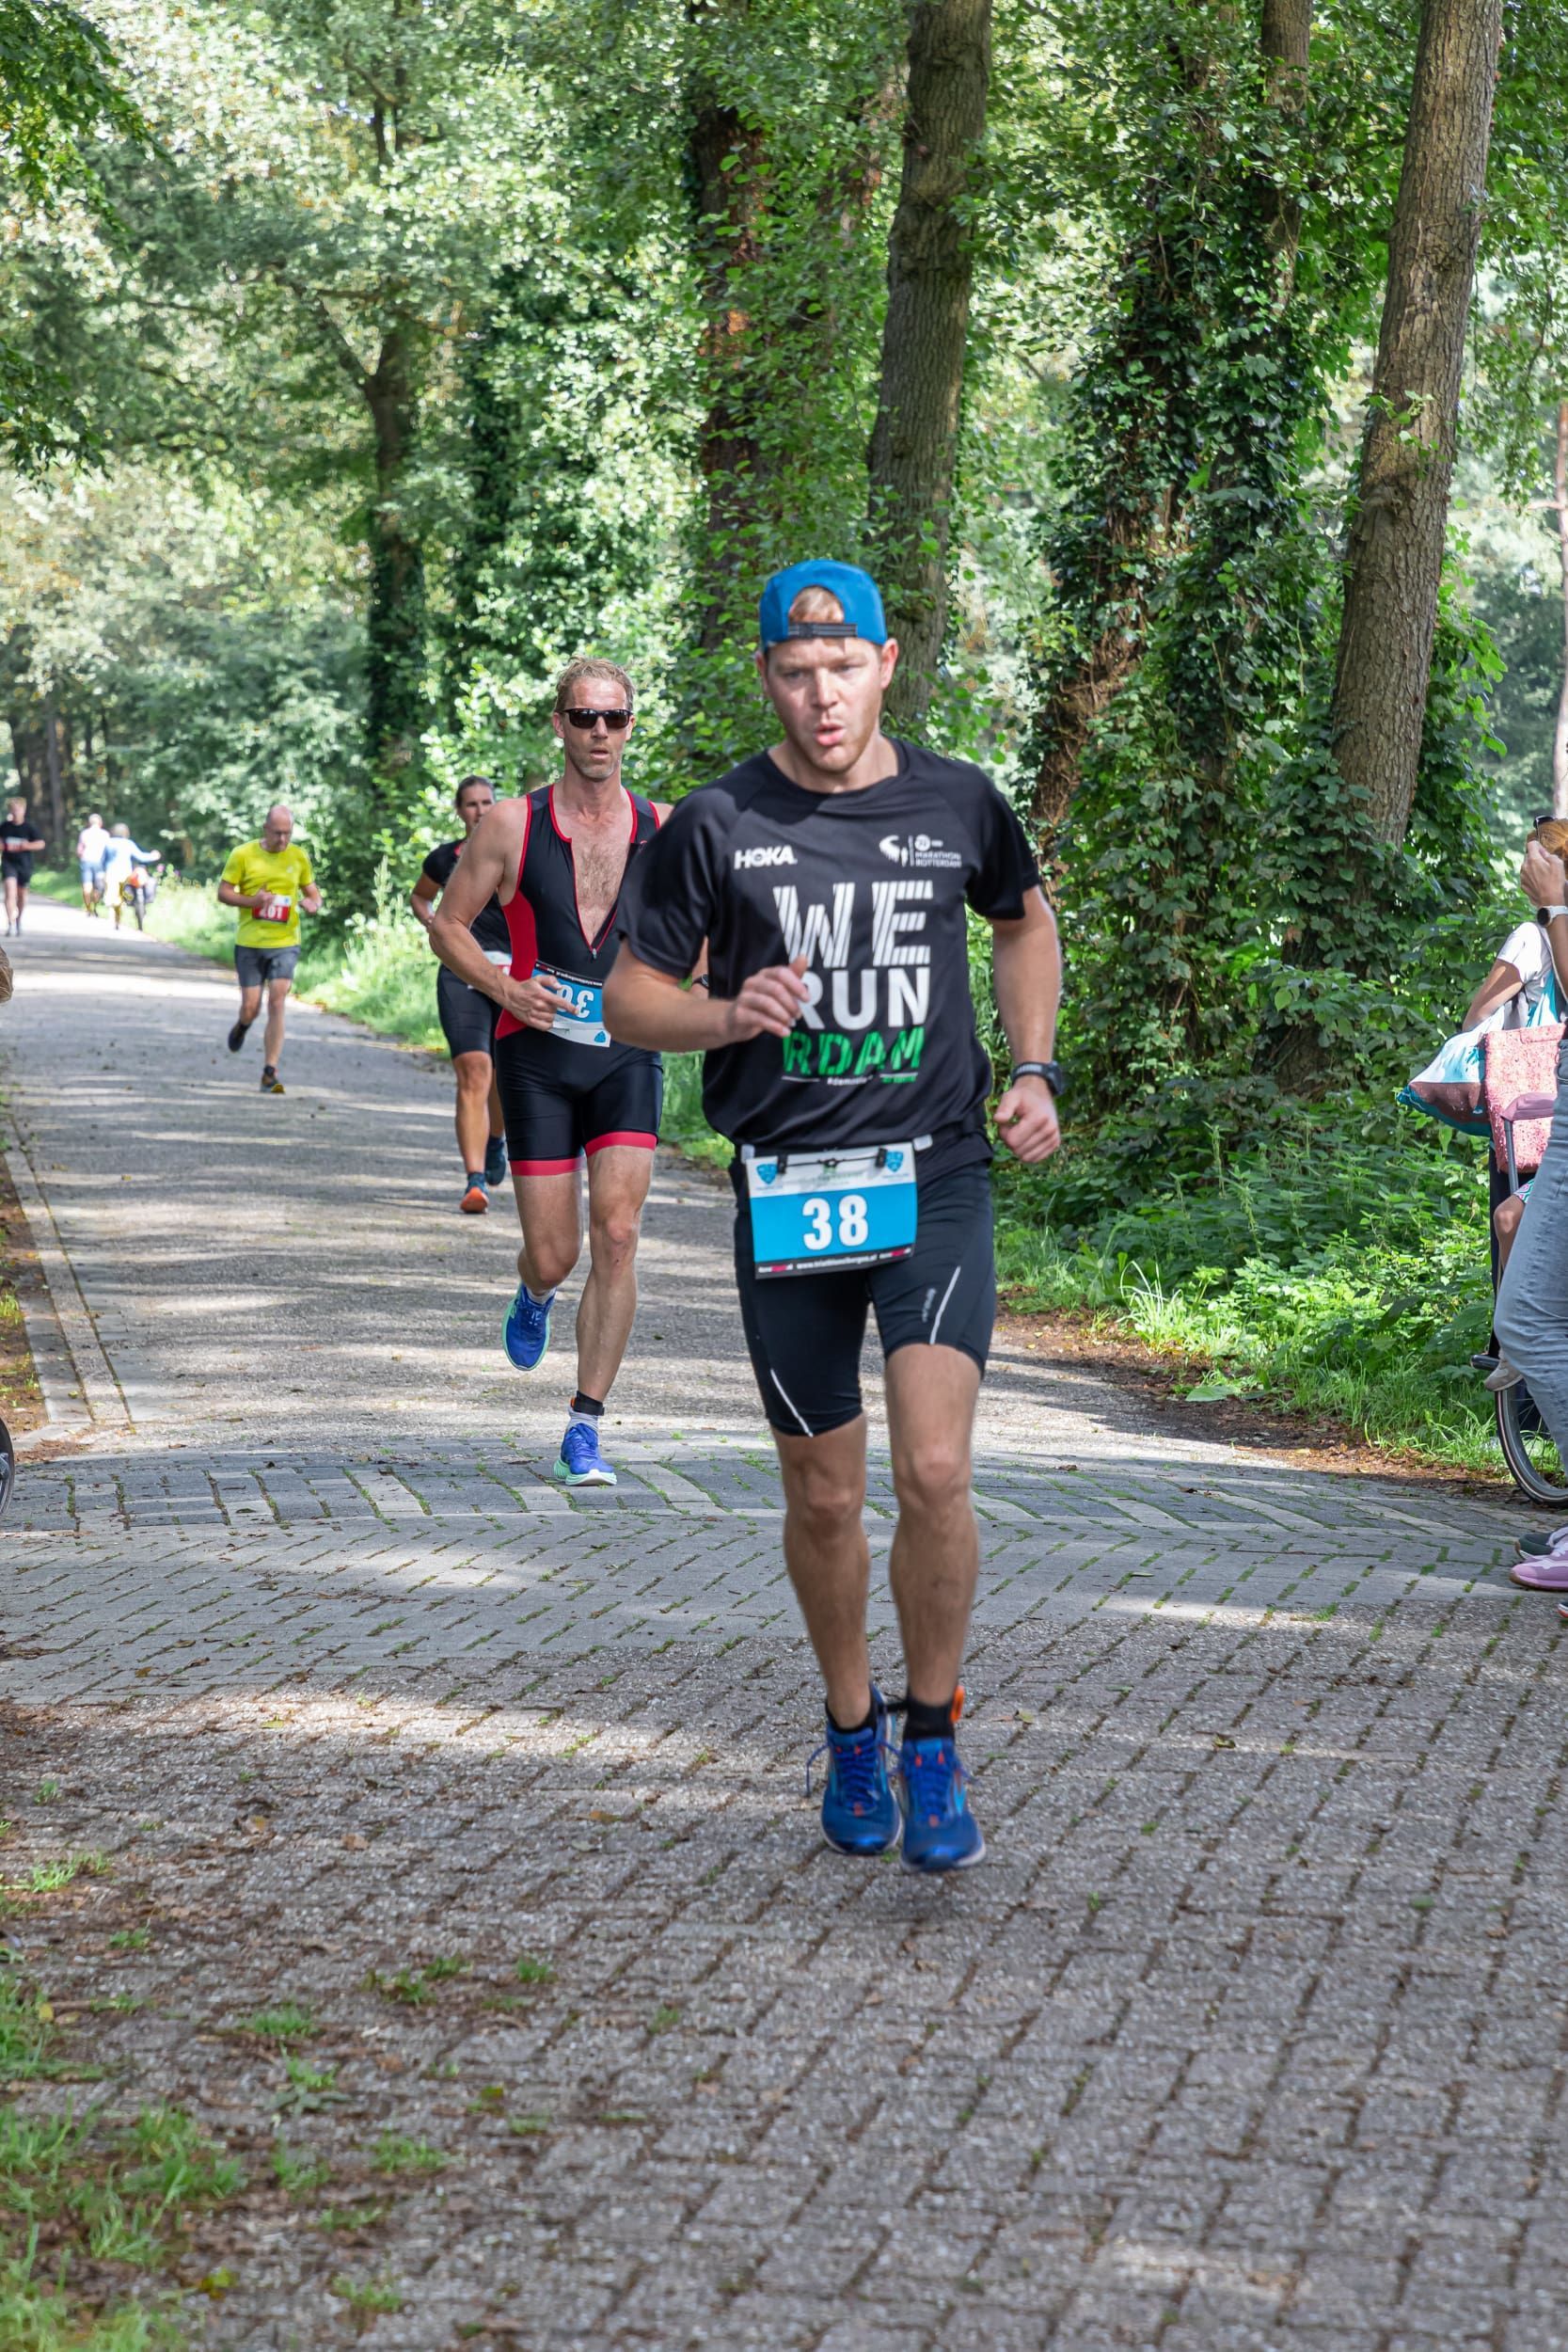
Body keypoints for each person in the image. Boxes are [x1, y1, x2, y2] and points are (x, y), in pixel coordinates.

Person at [603, 559, 1063, 1875]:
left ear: (884, 666)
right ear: (766, 675)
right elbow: (631, 1000)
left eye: (843, 670)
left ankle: (932, 1731)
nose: (821, 698)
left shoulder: (955, 799)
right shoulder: (714, 821)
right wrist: (722, 1015)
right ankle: (849, 1723)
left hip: (932, 1176)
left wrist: (1032, 1069)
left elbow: (1024, 928)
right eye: (796, 675)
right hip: (788, 1186)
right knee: (822, 1498)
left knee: (931, 1471)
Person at [430, 660, 667, 1490]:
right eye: (584, 717)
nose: (600, 731)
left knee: (618, 1234)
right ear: (559, 724)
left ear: (631, 725)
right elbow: (448, 925)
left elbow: (706, 938)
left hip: (627, 1057)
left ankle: (584, 1427)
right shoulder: (507, 824)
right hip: (534, 1060)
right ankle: (532, 1292)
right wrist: (500, 986)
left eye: (615, 717)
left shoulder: (661, 829)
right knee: (556, 1253)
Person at [410, 775, 511, 1214]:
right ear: (459, 811)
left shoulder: (517, 853)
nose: (480, 810)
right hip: (461, 971)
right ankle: (474, 1183)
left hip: (513, 977)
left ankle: (496, 1138)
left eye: (487, 801)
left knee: (502, 1077)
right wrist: (434, 924)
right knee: (474, 1069)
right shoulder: (445, 858)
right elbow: (420, 897)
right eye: (470, 804)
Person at [217, 804, 320, 1094]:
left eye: (287, 834)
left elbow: (313, 892)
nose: (283, 840)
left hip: (285, 942)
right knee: (251, 1007)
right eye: (277, 834)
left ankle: (269, 1070)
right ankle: (242, 1024)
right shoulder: (243, 854)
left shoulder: (298, 856)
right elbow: (223, 892)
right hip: (250, 943)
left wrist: (314, 904)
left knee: (277, 1001)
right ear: (265, 829)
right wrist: (253, 902)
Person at [101, 823, 162, 932]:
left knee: (113, 897)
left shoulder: (108, 843)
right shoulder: (128, 844)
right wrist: (153, 856)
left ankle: (113, 921)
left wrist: (102, 872)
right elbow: (140, 856)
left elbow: (103, 860)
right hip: (125, 873)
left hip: (111, 872)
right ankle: (118, 921)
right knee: (121, 896)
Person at [0, 799, 46, 936]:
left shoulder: (29, 827)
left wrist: (27, 846)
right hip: (9, 863)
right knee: (10, 891)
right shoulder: (4, 826)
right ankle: (10, 923)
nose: (15, 812)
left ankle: (18, 920)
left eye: (18, 809)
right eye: (13, 810)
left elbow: (41, 843)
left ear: (23, 810)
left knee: (22, 895)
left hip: (25, 864)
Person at [76, 812, 110, 914]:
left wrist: (81, 857)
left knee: (87, 886)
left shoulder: (84, 833)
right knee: (99, 887)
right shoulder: (105, 834)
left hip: (86, 861)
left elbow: (79, 850)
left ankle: (88, 908)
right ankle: (94, 905)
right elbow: (108, 850)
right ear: (100, 823)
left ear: (89, 823)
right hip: (99, 863)